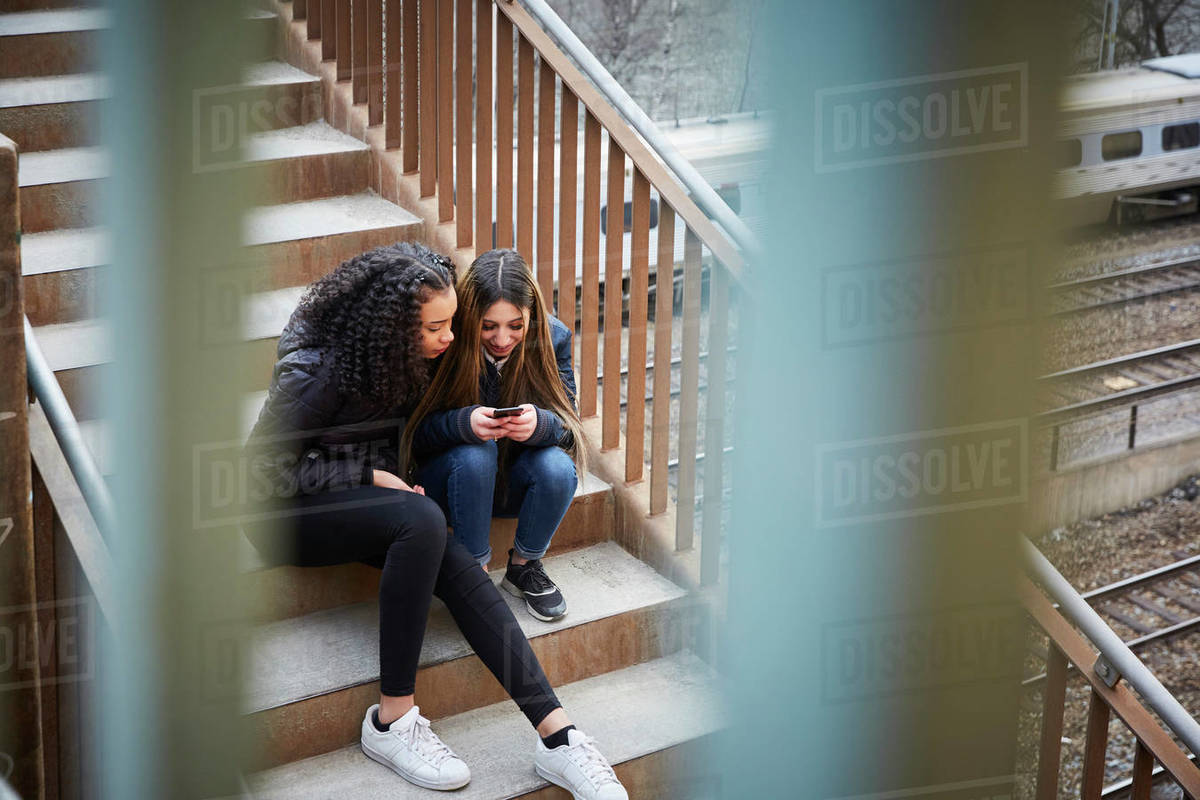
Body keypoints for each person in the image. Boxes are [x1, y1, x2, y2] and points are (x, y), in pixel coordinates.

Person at [242, 242, 626, 799]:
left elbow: (395, 434)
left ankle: (559, 737)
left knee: (438, 542)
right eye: (437, 327)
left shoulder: (411, 359)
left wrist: (389, 473)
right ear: (394, 328)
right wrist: (373, 479)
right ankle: (391, 721)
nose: (452, 338)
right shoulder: (317, 369)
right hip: (288, 515)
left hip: (360, 499)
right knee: (422, 521)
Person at [403, 248, 584, 622]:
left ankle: (524, 567)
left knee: (556, 467)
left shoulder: (554, 338)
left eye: (515, 325)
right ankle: (471, 575)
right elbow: (411, 436)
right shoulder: (444, 342)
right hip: (452, 484)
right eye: (489, 326)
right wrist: (462, 425)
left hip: (513, 485)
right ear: (470, 317)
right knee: (476, 452)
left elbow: (570, 429)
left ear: (531, 316)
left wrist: (541, 426)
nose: (502, 339)